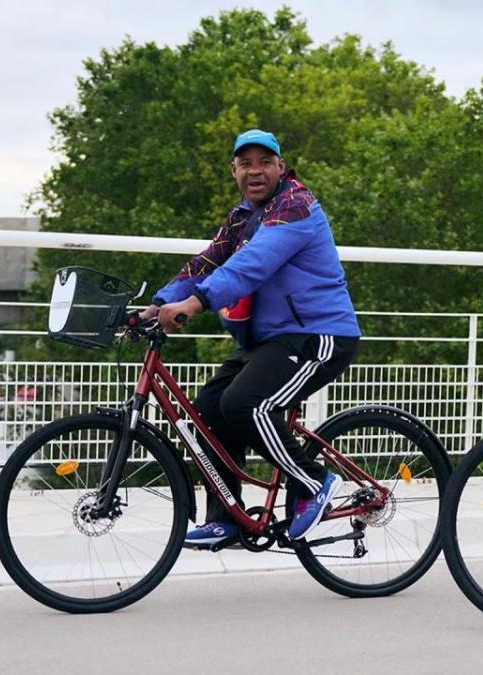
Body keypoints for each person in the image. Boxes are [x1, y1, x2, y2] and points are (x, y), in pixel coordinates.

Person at [142, 129, 362, 545]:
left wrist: (195, 303)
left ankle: (315, 482)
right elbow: (206, 262)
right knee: (209, 408)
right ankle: (226, 518)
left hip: (319, 335)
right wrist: (158, 304)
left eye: (265, 162)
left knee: (247, 405)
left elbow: (251, 265)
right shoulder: (242, 216)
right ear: (234, 171)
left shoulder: (295, 206)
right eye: (246, 164)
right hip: (272, 341)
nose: (255, 171)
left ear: (281, 167)